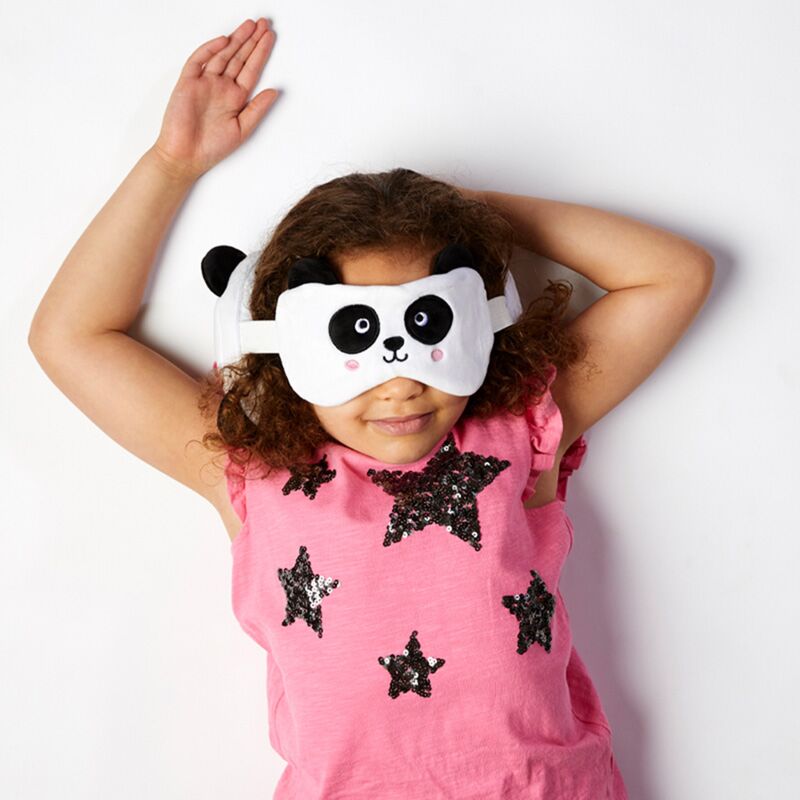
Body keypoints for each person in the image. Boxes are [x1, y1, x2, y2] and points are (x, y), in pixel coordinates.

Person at [27, 16, 715, 800]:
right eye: (353, 344)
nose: (398, 385)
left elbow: (674, 275)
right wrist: (170, 166)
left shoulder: (521, 434)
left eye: (430, 331)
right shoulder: (256, 472)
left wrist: (466, 215)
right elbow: (71, 337)